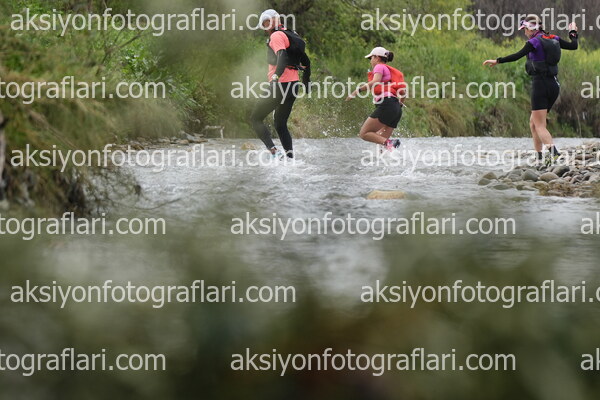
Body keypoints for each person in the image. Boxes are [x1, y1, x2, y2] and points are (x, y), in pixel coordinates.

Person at [483, 15, 579, 165]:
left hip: (540, 85)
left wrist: (497, 60)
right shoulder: (554, 38)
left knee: (539, 125)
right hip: (554, 85)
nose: (524, 32)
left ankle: (554, 154)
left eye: (525, 29)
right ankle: (539, 157)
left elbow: (516, 56)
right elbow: (574, 46)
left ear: (531, 28)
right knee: (533, 122)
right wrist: (573, 32)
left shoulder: (534, 42)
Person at [250, 9, 311, 159]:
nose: (265, 29)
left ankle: (274, 152)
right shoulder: (291, 34)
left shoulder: (276, 35)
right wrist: (306, 81)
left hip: (280, 85)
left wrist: (276, 77)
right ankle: (290, 159)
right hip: (293, 85)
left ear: (269, 21)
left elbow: (282, 56)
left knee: (255, 118)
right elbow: (306, 61)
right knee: (280, 124)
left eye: (265, 25)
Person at [346, 47, 406, 151]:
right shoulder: (390, 73)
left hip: (387, 105)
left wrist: (357, 91)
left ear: (377, 58)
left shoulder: (379, 66)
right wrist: (399, 104)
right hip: (396, 108)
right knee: (380, 142)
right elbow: (403, 93)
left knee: (364, 133)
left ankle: (390, 143)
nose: (370, 61)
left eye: (371, 58)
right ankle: (385, 156)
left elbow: (375, 81)